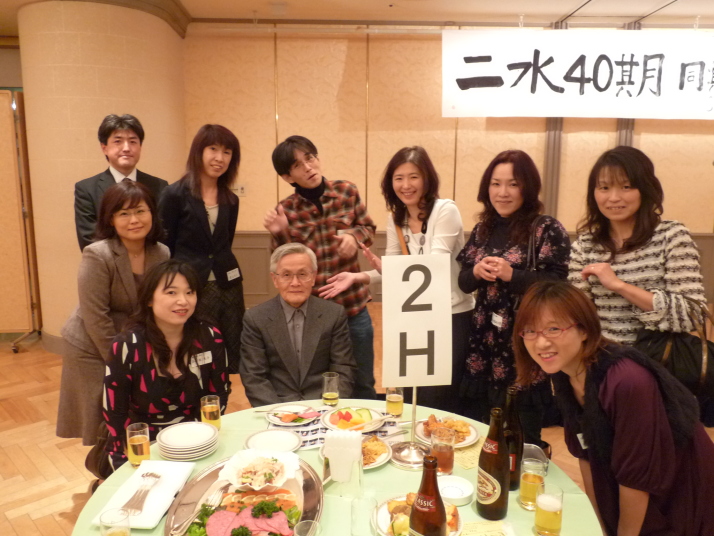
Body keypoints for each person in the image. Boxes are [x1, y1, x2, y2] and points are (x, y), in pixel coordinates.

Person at [513, 281, 714, 536]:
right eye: (530, 331)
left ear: (584, 330)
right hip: (637, 486)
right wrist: (599, 523)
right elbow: (585, 453)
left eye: (554, 329)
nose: (541, 343)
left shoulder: (626, 381)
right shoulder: (565, 372)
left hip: (682, 490)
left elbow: (636, 478)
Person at [319, 146, 474, 412]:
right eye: (398, 178)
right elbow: (393, 268)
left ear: (427, 178)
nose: (406, 185)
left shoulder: (445, 210)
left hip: (451, 314)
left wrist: (388, 268)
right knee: (415, 392)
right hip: (417, 314)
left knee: (443, 395)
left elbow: (431, 265)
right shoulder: (396, 219)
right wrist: (357, 276)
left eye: (413, 177)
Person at [456, 150, 570, 445]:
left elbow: (559, 285)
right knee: (480, 432)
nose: (502, 192)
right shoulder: (483, 229)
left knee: (521, 433)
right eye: (496, 184)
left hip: (523, 341)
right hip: (484, 340)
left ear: (528, 187)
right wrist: (477, 271)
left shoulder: (545, 228)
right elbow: (464, 283)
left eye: (513, 184)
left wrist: (512, 275)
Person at [263, 135, 377, 399]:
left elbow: (368, 228)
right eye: (297, 165)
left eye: (310, 158)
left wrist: (354, 237)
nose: (308, 167)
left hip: (353, 306)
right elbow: (283, 262)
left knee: (363, 382)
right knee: (323, 385)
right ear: (287, 176)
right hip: (314, 314)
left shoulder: (347, 191)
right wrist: (280, 232)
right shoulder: (286, 210)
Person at [57, 181, 168, 445]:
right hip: (91, 344)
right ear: (111, 219)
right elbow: (96, 316)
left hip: (133, 341)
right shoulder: (98, 254)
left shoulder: (161, 252)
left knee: (136, 412)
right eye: (124, 213)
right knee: (102, 418)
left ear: (152, 213)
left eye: (140, 211)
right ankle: (104, 466)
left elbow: (160, 303)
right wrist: (121, 361)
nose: (134, 220)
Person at [568, 145, 706, 345]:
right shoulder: (585, 246)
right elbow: (579, 317)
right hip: (605, 357)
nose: (614, 198)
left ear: (645, 189)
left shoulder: (671, 236)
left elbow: (693, 315)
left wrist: (619, 286)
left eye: (626, 187)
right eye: (604, 188)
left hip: (659, 358)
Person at [103, 260, 230, 470]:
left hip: (196, 439)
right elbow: (115, 412)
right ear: (149, 299)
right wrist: (125, 459)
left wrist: (204, 438)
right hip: (144, 445)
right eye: (171, 292)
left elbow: (218, 396)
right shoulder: (127, 345)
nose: (183, 301)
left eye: (189, 292)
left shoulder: (209, 337)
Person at [159, 124, 245, 373]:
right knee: (198, 348)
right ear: (199, 151)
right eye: (213, 149)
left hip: (228, 284)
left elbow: (224, 243)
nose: (220, 158)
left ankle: (224, 390)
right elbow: (165, 246)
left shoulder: (231, 199)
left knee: (231, 346)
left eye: (227, 152)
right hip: (191, 285)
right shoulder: (174, 194)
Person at [239, 243, 356, 407]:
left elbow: (342, 369)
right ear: (275, 279)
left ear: (313, 277)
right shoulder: (256, 318)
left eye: (302, 274)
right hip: (276, 406)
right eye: (286, 275)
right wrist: (278, 412)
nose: (295, 283)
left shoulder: (333, 314)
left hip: (323, 404)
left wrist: (327, 408)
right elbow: (254, 377)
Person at [74, 114, 167, 251]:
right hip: (106, 263)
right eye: (118, 141)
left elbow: (164, 232)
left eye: (133, 141)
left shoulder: (159, 186)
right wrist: (129, 257)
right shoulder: (86, 189)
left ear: (140, 146)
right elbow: (89, 239)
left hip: (154, 261)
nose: (126, 148)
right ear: (104, 148)